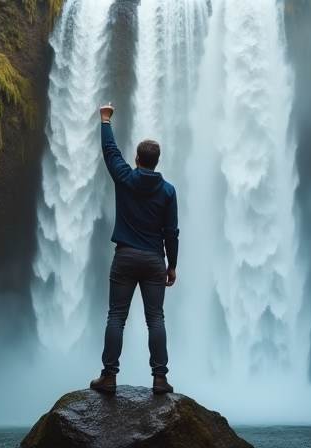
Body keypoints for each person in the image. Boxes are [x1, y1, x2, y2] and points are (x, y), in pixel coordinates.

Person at [89, 103, 179, 395]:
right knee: (156, 318)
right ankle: (160, 379)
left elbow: (110, 151)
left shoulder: (125, 178)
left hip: (125, 257)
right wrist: (172, 265)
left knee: (116, 317)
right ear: (157, 162)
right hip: (154, 260)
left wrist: (105, 120)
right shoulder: (168, 191)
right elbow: (171, 232)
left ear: (138, 159)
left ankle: (109, 377)